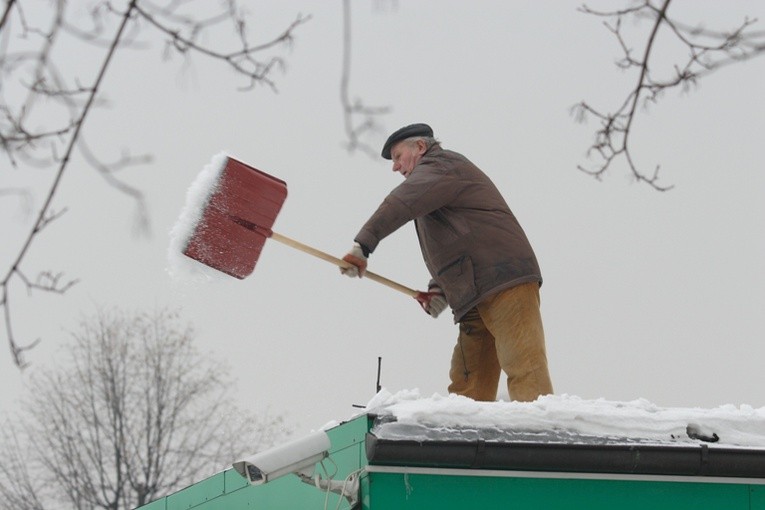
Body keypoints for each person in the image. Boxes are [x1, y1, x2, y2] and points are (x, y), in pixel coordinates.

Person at [340, 123, 553, 402]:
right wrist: (440, 288)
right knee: (468, 388)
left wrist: (362, 246)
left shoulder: (441, 166)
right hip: (474, 295)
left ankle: (538, 440)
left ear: (420, 147)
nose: (395, 167)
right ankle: (466, 444)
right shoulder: (435, 184)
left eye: (397, 157)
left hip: (504, 282)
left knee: (524, 368)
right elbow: (457, 242)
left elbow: (400, 203)